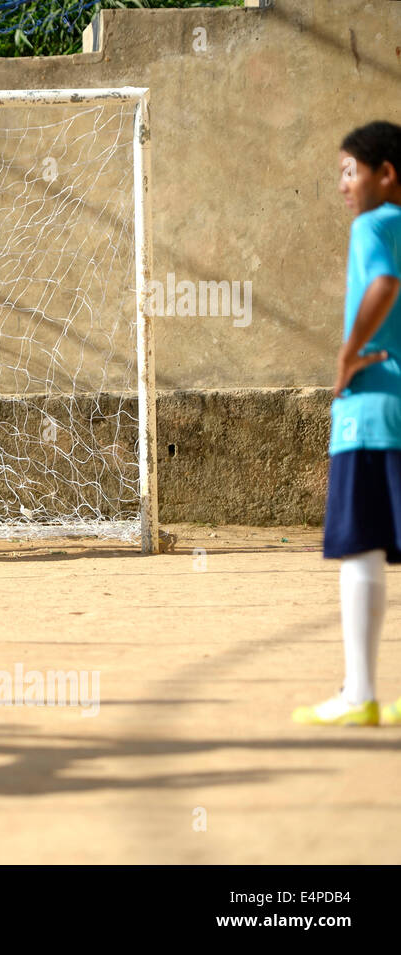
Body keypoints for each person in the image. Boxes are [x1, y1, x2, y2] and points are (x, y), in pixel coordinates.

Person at [294, 120, 401, 727]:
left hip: (371, 414)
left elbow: (383, 283)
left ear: (385, 174)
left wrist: (348, 351)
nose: (341, 185)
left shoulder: (374, 225)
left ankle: (359, 693)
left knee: (360, 548)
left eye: (348, 171)